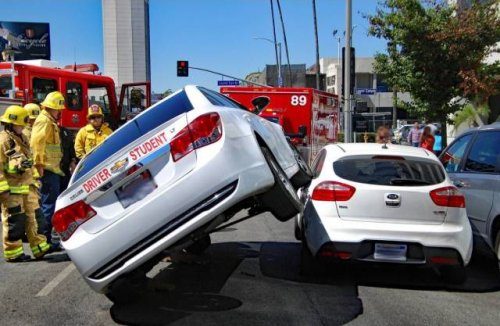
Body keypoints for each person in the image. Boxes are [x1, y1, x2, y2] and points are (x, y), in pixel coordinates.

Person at [0, 105, 51, 262]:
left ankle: (40, 248)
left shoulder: (22, 138)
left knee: (35, 218)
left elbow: (28, 162)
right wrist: (3, 190)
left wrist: (35, 180)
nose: (23, 126)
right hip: (11, 190)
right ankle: (13, 253)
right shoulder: (3, 141)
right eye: (20, 124)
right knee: (14, 222)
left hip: (28, 187)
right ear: (11, 124)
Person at [31, 91, 65, 246]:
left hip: (53, 169)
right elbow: (37, 144)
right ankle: (44, 242)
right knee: (48, 206)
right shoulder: (44, 121)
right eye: (59, 109)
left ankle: (46, 240)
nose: (60, 112)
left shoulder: (49, 121)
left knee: (50, 205)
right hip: (48, 170)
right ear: (52, 107)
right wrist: (39, 165)